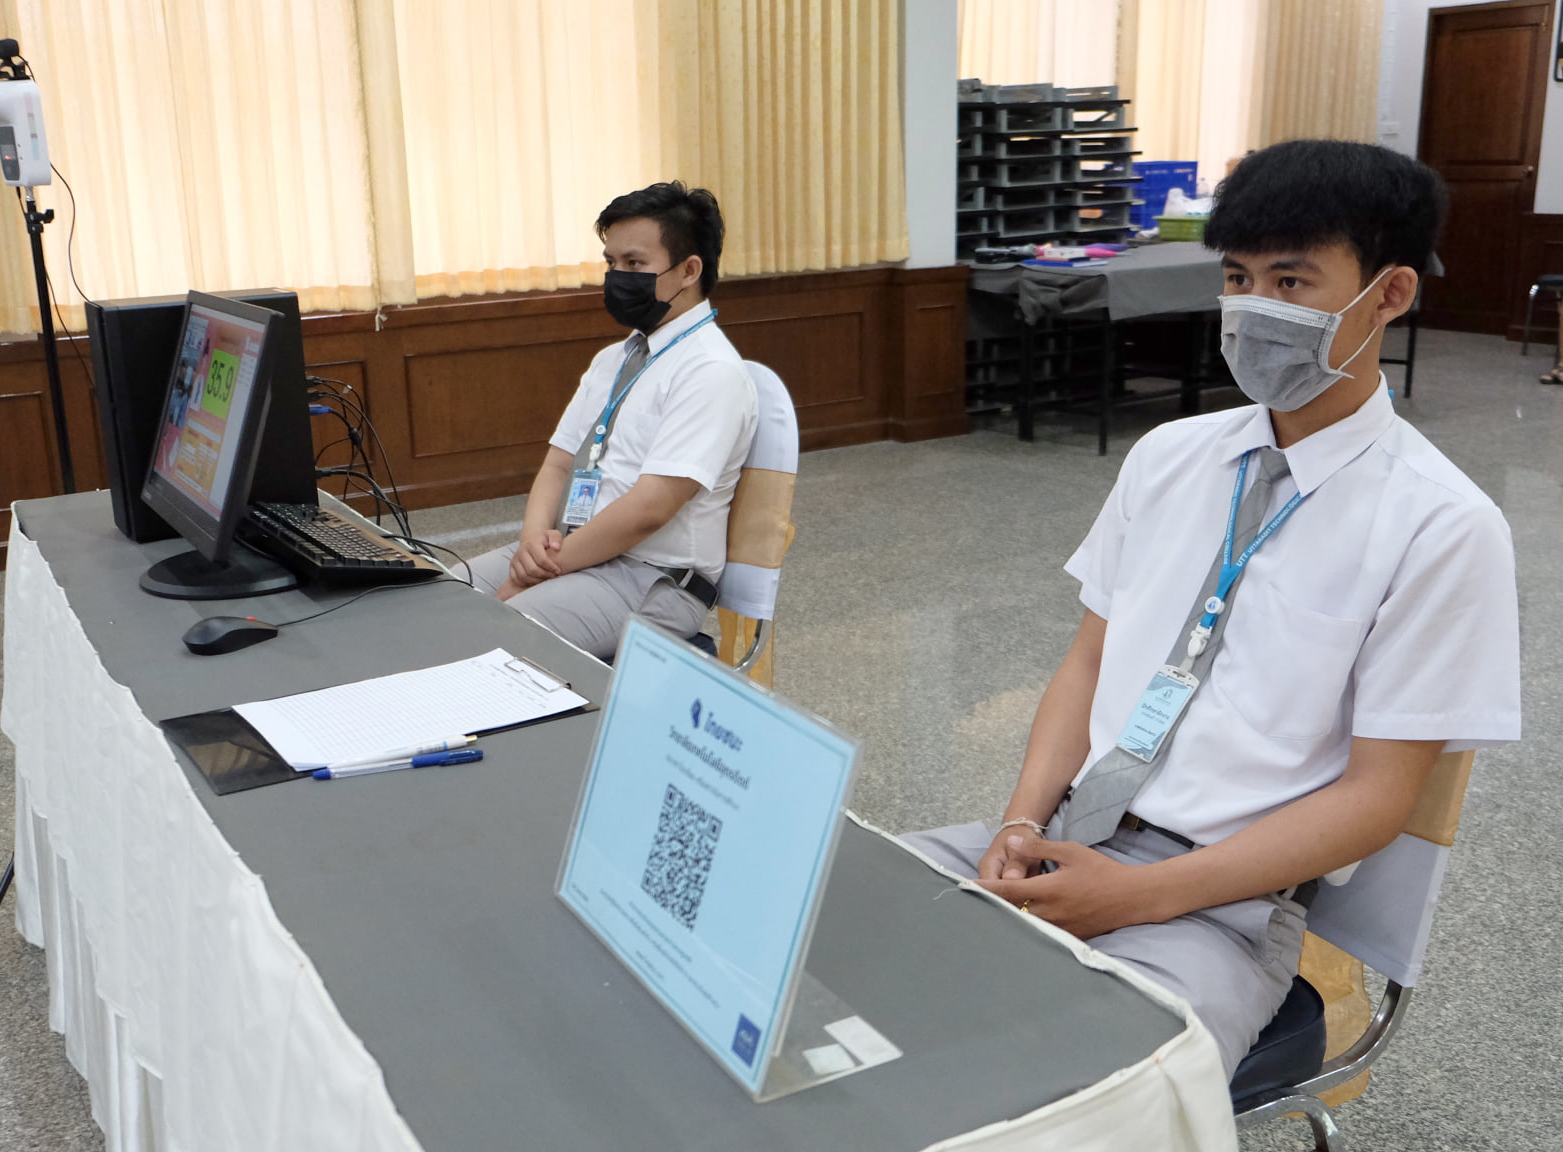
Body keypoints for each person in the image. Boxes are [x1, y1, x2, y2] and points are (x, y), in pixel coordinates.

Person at [904, 140, 1521, 1077]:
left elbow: (1375, 800)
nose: (1252, 307)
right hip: (1063, 840)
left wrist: (1139, 898)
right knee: (821, 924)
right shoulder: (1170, 457)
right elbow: (1087, 666)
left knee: (1056, 1091)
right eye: (1237, 277)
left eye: (1292, 280)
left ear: (1390, 296)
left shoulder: (1440, 525)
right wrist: (1021, 825)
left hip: (1220, 907)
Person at [470, 182, 758, 659]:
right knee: (436, 597)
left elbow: (651, 508)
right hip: (570, 550)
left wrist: (545, 569)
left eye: (635, 264)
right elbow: (559, 465)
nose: (618, 276)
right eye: (611, 263)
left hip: (651, 578)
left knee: (494, 636)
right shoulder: (615, 358)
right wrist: (530, 545)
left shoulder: (710, 371)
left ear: (689, 270)